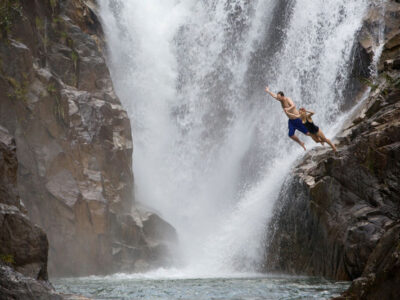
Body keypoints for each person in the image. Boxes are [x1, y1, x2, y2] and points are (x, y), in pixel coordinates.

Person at [265, 86, 309, 151]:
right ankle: (301, 143)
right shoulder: (280, 100)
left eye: (279, 98)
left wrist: (287, 109)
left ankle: (318, 136)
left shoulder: (287, 99)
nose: (278, 99)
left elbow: (293, 105)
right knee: (291, 135)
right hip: (291, 121)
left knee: (307, 133)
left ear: (283, 96)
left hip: (297, 119)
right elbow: (274, 96)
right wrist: (268, 91)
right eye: (278, 98)